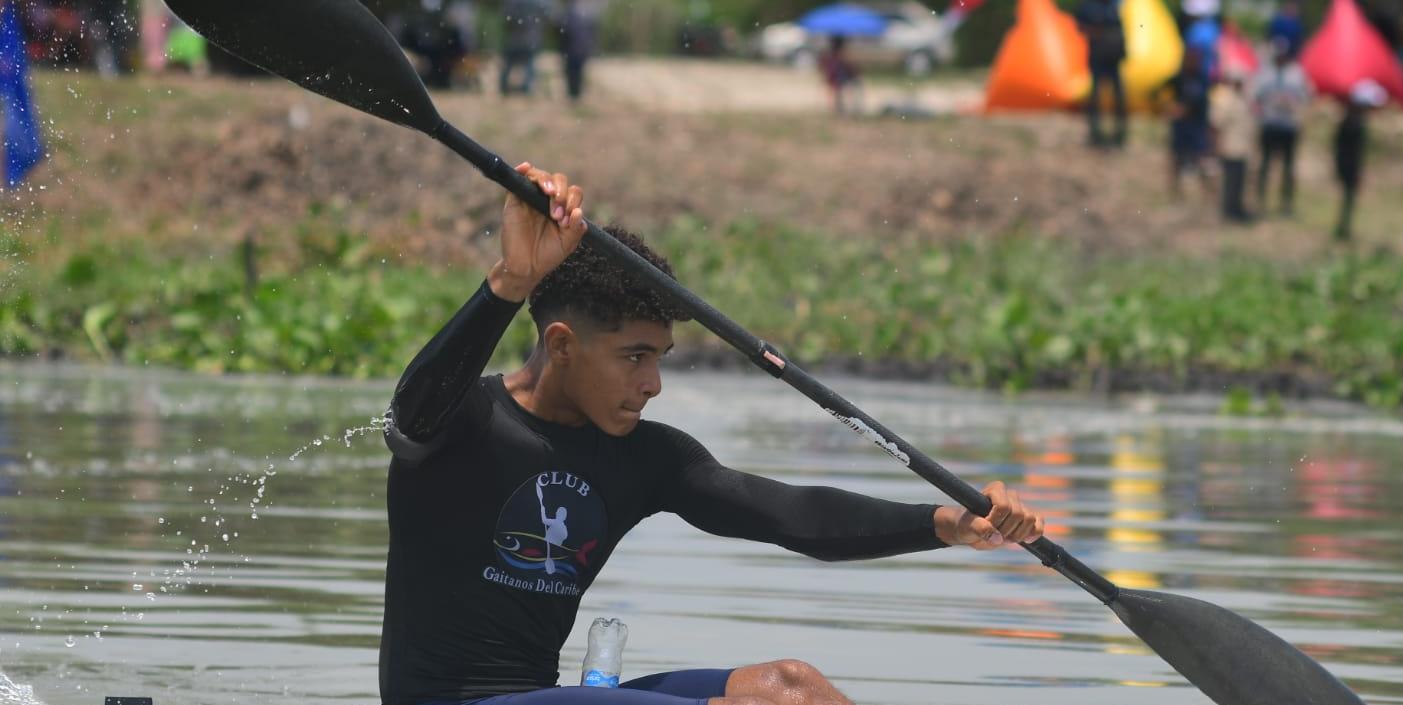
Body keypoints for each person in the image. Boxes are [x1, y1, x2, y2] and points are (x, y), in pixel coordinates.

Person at [380, 162, 1048, 705]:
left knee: (792, 689)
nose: (652, 384)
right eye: (633, 356)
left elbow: (792, 515)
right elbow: (412, 408)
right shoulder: (458, 420)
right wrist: (509, 281)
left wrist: (948, 522)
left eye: (659, 358)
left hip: (541, 696)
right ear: (561, 345)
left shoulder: (644, 457)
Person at [1251, 38, 1311, 216]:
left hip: (1289, 126)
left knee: (1288, 167)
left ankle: (1286, 203)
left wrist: (1293, 105)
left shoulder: (1297, 74)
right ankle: (1260, 201)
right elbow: (1255, 98)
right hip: (1269, 124)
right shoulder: (1264, 74)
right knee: (1265, 164)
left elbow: (1307, 97)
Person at [1333, 79, 1386, 243]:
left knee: (1349, 199)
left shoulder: (1351, 120)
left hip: (1348, 165)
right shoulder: (1354, 123)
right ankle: (1344, 228)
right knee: (1348, 198)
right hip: (1349, 166)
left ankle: (1344, 227)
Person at [1076, 0, 1128, 148]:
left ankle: (1120, 134)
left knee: (1118, 97)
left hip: (1114, 58)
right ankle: (1095, 133)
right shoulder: (1088, 6)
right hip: (1098, 58)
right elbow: (1080, 27)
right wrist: (1095, 31)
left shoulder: (1116, 5)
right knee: (1095, 97)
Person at [1163, 48, 1213, 199]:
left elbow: (1199, 100)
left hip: (1197, 125)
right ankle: (1174, 190)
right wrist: (1169, 107)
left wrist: (1184, 109)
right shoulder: (1180, 77)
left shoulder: (1202, 79)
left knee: (1201, 157)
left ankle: (1207, 191)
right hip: (1181, 126)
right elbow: (1159, 88)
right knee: (1177, 157)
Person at [1211, 69, 1255, 223]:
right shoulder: (1225, 100)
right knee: (1230, 182)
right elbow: (1216, 125)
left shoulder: (1243, 98)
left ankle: (1237, 209)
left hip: (1242, 148)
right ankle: (1229, 212)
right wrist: (1216, 146)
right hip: (1229, 147)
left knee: (1239, 182)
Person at [501, 0, 551, 96]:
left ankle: (504, 88)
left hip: (514, 37)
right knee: (529, 64)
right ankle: (526, 89)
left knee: (509, 64)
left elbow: (506, 17)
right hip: (531, 37)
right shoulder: (540, 2)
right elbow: (548, 16)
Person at [559, 0, 600, 102]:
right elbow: (593, 32)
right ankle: (575, 94)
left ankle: (574, 94)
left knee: (572, 72)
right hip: (581, 48)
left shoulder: (569, 13)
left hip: (572, 48)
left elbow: (563, 31)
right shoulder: (587, 13)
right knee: (576, 72)